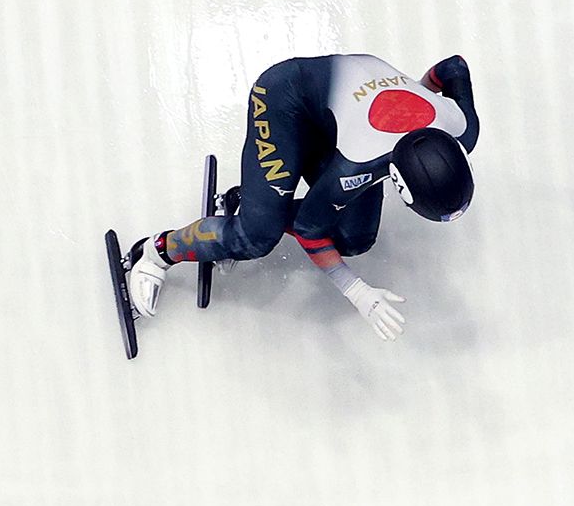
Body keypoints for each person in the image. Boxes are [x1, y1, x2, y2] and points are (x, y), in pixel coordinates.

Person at [124, 53, 478, 341]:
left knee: (355, 239)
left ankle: (250, 203)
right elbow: (311, 230)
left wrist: (420, 91)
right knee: (257, 237)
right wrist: (354, 290)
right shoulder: (356, 165)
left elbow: (452, 69)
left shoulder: (461, 127)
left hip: (337, 118)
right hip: (285, 100)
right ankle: (155, 251)